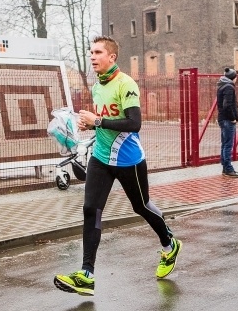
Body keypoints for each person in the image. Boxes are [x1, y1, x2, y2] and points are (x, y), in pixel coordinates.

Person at [54, 36, 182, 296]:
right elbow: (102, 120)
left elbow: (134, 123)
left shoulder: (127, 84)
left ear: (112, 57)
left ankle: (170, 244)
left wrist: (98, 121)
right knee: (91, 209)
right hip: (101, 158)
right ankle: (86, 275)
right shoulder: (97, 86)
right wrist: (88, 124)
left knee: (141, 205)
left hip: (128, 160)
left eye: (98, 52)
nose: (93, 57)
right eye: (91, 52)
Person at [217, 67, 238, 177]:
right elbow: (227, 105)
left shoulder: (221, 85)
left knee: (224, 144)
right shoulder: (229, 87)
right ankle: (228, 169)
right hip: (227, 119)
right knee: (228, 145)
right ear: (234, 77)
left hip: (222, 118)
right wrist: (232, 118)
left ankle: (225, 168)